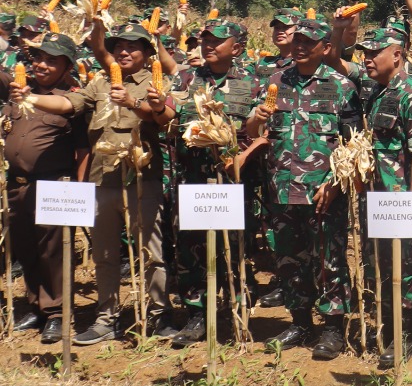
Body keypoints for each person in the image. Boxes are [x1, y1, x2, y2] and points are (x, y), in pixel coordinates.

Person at [244, 17, 363, 359]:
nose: (298, 46)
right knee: (288, 261)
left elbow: (353, 146)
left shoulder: (341, 86)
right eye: (296, 41)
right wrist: (258, 119)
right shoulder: (276, 81)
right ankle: (300, 322)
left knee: (329, 260)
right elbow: (254, 130)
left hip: (324, 192)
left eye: (308, 42)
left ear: (326, 48)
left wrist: (336, 184)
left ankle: (331, 328)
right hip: (281, 189)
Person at [74, 22, 173, 345]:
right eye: (118, 45)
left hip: (142, 180)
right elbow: (70, 105)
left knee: (151, 253)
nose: (123, 51)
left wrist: (133, 102)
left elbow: (161, 118)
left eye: (133, 46)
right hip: (103, 179)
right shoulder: (100, 82)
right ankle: (107, 318)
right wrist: (28, 97)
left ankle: (158, 315)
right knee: (104, 254)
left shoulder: (158, 84)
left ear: (147, 53)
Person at [164, 19, 257, 348]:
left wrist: (241, 152)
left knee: (233, 249)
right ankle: (196, 315)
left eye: (217, 40)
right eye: (205, 38)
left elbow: (260, 131)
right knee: (191, 249)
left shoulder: (252, 80)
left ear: (237, 48)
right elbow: (167, 114)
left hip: (234, 182)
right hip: (193, 178)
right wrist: (152, 106)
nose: (208, 44)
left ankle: (235, 313)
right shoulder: (187, 78)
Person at [3, 33, 88, 345]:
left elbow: (83, 151)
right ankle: (36, 306)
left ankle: (57, 312)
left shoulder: (70, 100)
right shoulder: (16, 94)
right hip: (17, 186)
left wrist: (81, 189)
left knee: (52, 250)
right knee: (25, 248)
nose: (41, 65)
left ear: (66, 67)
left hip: (54, 185)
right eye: (38, 58)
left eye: (52, 61)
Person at [359, 26, 412, 370]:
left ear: (397, 55)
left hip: (402, 200)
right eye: (365, 53)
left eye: (374, 53)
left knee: (408, 267)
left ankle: (408, 333)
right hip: (378, 199)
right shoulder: (377, 93)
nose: (367, 59)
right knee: (382, 264)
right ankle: (388, 326)